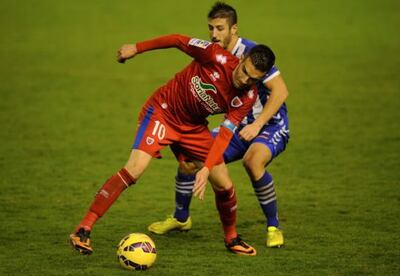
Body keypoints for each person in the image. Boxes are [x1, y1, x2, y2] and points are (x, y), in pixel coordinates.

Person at [69, 33, 276, 256]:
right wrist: (137, 48)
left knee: (224, 185)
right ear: (243, 58)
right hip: (163, 112)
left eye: (253, 79)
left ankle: (231, 238)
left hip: (194, 128)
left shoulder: (247, 96)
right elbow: (177, 40)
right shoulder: (215, 55)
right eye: (245, 72)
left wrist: (206, 168)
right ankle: (83, 229)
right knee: (135, 169)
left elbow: (225, 134)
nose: (244, 80)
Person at [148, 2, 289, 248]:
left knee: (253, 161)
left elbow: (281, 91)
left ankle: (273, 226)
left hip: (270, 125)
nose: (214, 35)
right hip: (237, 126)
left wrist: (258, 125)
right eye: (211, 28)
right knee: (192, 160)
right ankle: (181, 218)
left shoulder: (253, 54)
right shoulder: (215, 52)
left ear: (234, 30)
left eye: (220, 29)